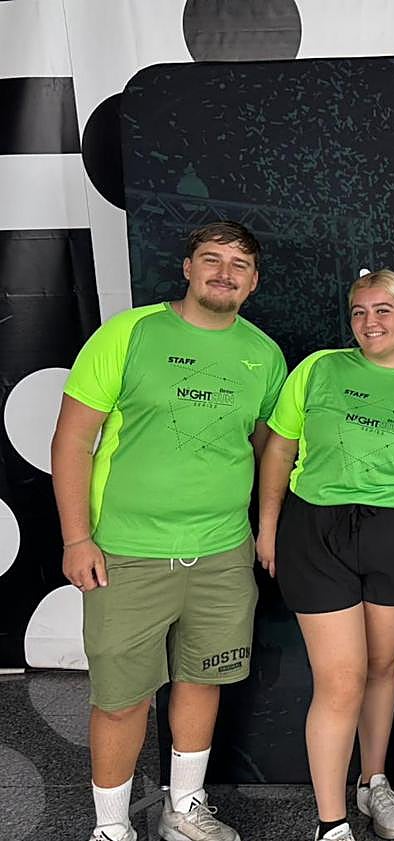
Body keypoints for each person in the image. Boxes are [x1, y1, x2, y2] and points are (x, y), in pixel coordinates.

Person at [51, 221, 286, 841]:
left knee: (202, 678)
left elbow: (265, 448)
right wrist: (78, 539)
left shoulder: (263, 354)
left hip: (221, 554)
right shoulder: (128, 334)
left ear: (254, 281)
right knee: (122, 697)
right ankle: (111, 828)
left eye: (239, 264)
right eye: (211, 259)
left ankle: (184, 807)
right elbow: (74, 437)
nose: (224, 272)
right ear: (187, 267)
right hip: (126, 553)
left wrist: (261, 530)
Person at [256, 270, 394, 841]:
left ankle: (373, 782)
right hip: (315, 531)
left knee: (382, 667)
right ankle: (332, 823)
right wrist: (267, 527)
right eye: (359, 312)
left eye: (383, 311)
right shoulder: (320, 369)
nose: (369, 322)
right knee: (341, 680)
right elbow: (279, 449)